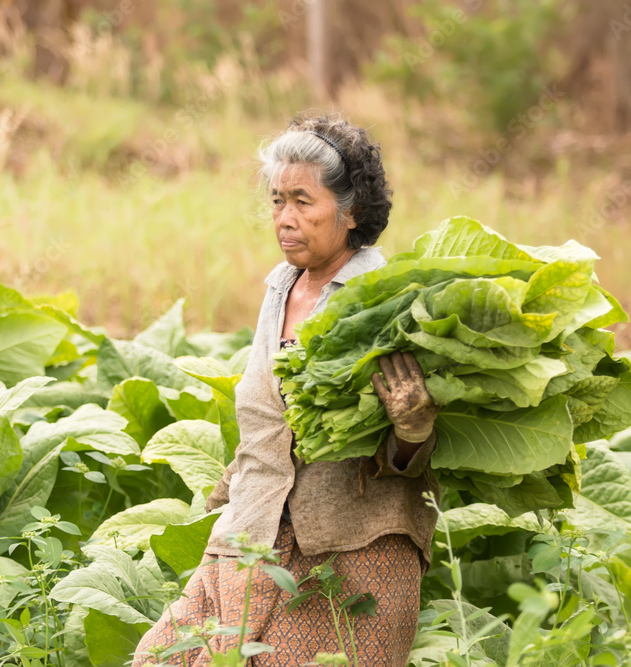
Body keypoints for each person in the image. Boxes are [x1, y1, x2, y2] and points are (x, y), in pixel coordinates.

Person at [133, 114, 441, 666]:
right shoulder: (280, 288)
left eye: (303, 201)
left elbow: (409, 448)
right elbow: (266, 422)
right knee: (161, 658)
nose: (285, 219)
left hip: (352, 557)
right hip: (251, 538)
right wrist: (223, 504)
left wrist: (412, 430)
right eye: (277, 201)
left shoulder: (384, 299)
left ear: (351, 213)